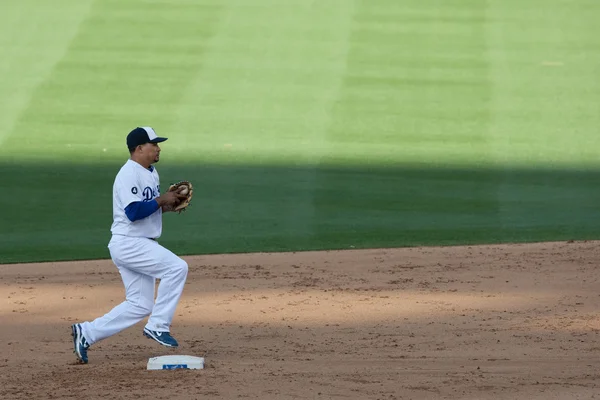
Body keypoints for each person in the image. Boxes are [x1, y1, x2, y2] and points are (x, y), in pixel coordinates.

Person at [71, 126, 189, 364]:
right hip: (130, 243)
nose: (158, 148)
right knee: (177, 268)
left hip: (138, 242)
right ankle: (158, 326)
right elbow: (133, 212)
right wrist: (160, 200)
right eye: (153, 144)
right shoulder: (128, 174)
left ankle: (87, 333)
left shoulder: (151, 172)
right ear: (138, 148)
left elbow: (147, 208)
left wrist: (167, 204)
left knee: (139, 304)